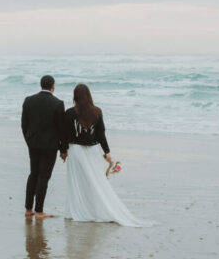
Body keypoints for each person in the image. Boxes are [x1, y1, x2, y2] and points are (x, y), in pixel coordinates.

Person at [62, 83, 152, 227]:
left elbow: (65, 134)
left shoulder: (69, 113)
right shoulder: (97, 112)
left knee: (78, 182)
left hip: (76, 150)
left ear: (75, 96)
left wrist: (63, 151)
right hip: (93, 151)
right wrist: (107, 151)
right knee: (96, 181)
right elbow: (101, 134)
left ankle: (79, 210)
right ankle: (96, 209)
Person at [21, 75, 68, 219]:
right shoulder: (58, 103)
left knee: (33, 174)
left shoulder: (29, 100)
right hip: (50, 146)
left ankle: (28, 209)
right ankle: (39, 211)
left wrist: (28, 140)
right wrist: (63, 149)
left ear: (41, 85)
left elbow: (24, 124)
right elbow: (62, 129)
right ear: (53, 86)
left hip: (33, 144)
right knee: (44, 177)